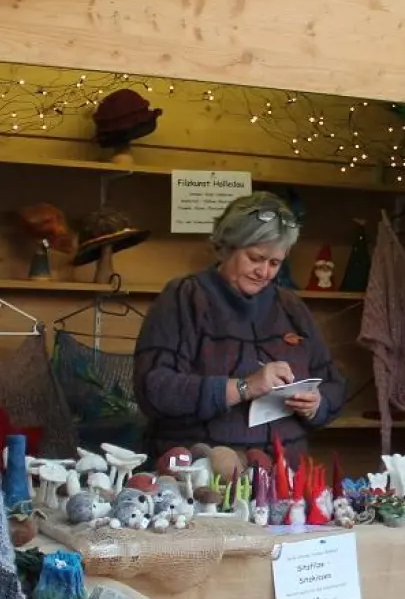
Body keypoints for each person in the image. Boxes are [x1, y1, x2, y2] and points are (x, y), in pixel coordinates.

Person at [133, 192, 347, 459]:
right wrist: (244, 387)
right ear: (228, 246)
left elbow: (334, 384)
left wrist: (316, 404)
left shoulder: (291, 307)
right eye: (255, 258)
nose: (264, 272)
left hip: (283, 477)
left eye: (275, 263)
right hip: (199, 474)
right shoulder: (184, 297)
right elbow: (153, 389)